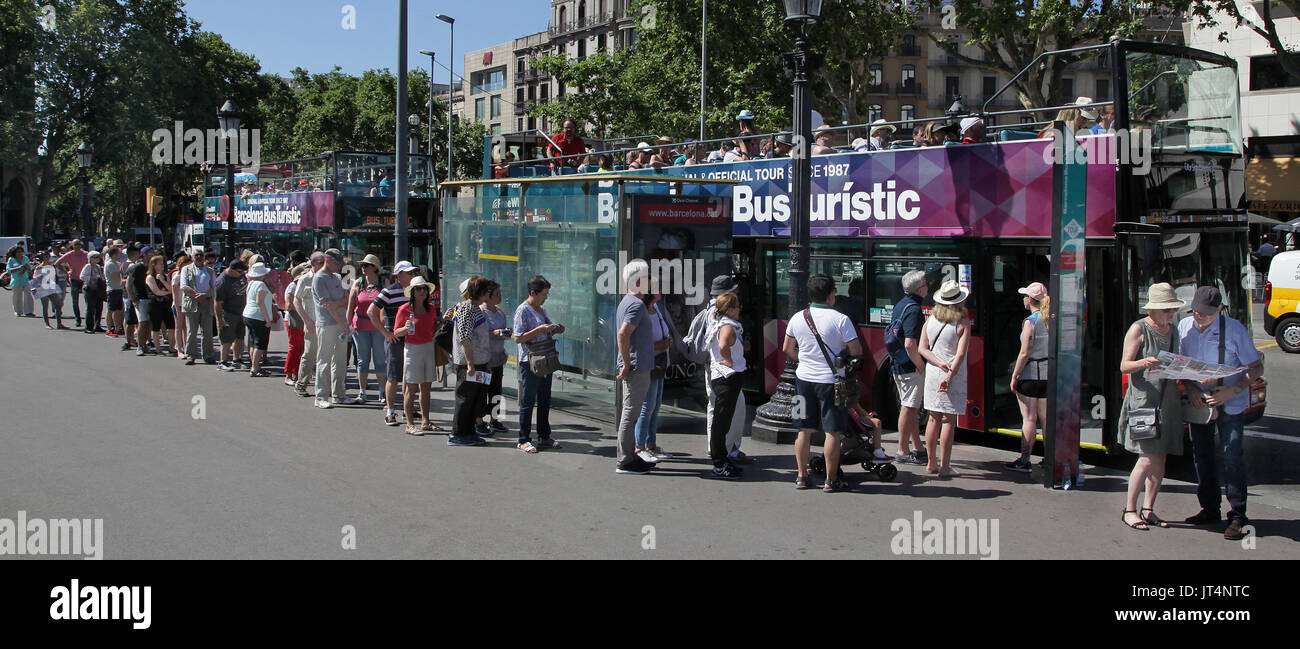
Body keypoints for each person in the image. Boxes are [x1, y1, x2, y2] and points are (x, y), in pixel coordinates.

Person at [1179, 286, 1265, 540]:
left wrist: (1233, 390)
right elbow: (1181, 365)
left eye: (1205, 313)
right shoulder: (1184, 326)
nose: (1199, 317)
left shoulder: (1235, 329)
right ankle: (1209, 507)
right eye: (1196, 311)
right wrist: (1191, 388)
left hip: (1231, 402)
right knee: (1201, 454)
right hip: (1201, 401)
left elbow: (1256, 368)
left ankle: (1238, 515)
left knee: (1231, 455)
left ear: (1219, 310)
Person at [784, 274, 863, 492]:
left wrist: (806, 360)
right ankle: (831, 479)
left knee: (803, 430)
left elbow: (788, 350)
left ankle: (801, 476)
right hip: (831, 383)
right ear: (830, 295)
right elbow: (856, 351)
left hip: (802, 381)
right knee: (832, 432)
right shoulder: (841, 319)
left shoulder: (797, 318)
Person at [1118, 283, 1186, 531]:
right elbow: (1124, 366)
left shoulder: (1173, 330)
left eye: (1172, 309)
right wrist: (1145, 362)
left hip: (1167, 399)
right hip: (1144, 400)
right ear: (1154, 309)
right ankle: (1129, 510)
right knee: (1146, 457)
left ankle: (1148, 509)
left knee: (1160, 455)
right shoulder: (1139, 328)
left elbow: (1176, 361)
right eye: (1167, 310)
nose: (1171, 314)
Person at [919, 280, 971, 478]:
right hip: (952, 375)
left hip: (933, 372)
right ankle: (945, 466)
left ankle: (931, 462)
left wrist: (938, 363)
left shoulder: (930, 320)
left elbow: (922, 348)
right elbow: (960, 355)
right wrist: (949, 375)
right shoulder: (963, 323)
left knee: (933, 418)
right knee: (949, 420)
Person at [612, 261, 660, 474]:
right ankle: (625, 459)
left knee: (631, 413)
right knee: (631, 414)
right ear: (639, 281)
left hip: (637, 365)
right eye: (648, 277)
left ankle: (629, 456)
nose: (651, 281)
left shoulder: (629, 302)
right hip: (636, 367)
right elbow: (623, 334)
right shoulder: (636, 304)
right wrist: (627, 363)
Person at [513, 275, 563, 453]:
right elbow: (518, 337)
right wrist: (539, 330)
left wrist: (554, 329)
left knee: (544, 399)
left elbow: (545, 330)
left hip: (545, 358)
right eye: (543, 294)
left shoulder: (541, 310)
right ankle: (523, 438)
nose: (545, 298)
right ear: (533, 293)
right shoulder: (523, 310)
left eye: (547, 295)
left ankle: (544, 435)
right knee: (528, 400)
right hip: (530, 361)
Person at [1006, 281, 1050, 472]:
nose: (1023, 299)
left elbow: (1024, 353)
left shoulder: (1030, 322)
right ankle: (1049, 457)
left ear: (1031, 300)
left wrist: (1015, 375)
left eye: (1025, 296)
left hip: (1030, 375)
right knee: (1046, 418)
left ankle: (1025, 459)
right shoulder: (1051, 319)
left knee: (1029, 418)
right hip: (1048, 375)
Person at [369, 260, 419, 426]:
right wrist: (386, 333)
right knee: (393, 376)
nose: (412, 275)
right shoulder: (389, 291)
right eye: (409, 273)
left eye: (413, 272)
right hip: (396, 339)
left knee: (409, 376)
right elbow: (372, 311)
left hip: (412, 339)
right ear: (399, 275)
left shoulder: (414, 291)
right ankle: (390, 411)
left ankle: (408, 409)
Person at [707, 292, 747, 480]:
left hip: (728, 376)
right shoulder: (727, 327)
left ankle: (721, 459)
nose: (740, 308)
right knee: (721, 421)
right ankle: (719, 463)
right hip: (726, 377)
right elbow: (723, 345)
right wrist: (728, 360)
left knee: (724, 420)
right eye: (737, 305)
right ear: (730, 309)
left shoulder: (727, 324)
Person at [449, 277, 493, 447]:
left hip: (479, 361)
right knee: (465, 399)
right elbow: (465, 338)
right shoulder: (466, 309)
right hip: (470, 363)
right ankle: (458, 433)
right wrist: (470, 364)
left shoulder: (474, 308)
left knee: (473, 399)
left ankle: (468, 432)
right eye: (486, 290)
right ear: (480, 291)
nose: (489, 293)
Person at [394, 276, 441, 434]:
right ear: (412, 292)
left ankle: (425, 421)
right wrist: (406, 328)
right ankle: (409, 424)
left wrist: (443, 323)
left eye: (424, 289)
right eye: (418, 289)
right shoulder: (404, 309)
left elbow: (432, 329)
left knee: (426, 387)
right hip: (412, 349)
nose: (422, 292)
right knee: (411, 388)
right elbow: (396, 332)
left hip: (428, 347)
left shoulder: (431, 309)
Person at [891, 270, 929, 465]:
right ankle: (903, 450)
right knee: (908, 407)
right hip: (909, 366)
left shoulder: (901, 304)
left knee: (911, 407)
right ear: (919, 288)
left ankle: (917, 447)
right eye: (925, 282)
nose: (928, 285)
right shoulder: (914, 309)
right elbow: (909, 343)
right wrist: (920, 364)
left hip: (898, 364)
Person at [632, 290, 674, 465]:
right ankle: (639, 447)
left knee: (655, 405)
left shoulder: (655, 308)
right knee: (647, 406)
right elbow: (636, 341)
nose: (661, 291)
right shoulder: (641, 310)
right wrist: (660, 344)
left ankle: (651, 444)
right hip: (649, 362)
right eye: (656, 288)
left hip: (660, 362)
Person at [313, 249, 352, 408]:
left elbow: (346, 299)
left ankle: (339, 394)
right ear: (328, 261)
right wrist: (342, 321)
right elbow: (328, 306)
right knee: (324, 359)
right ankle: (321, 396)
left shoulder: (337, 277)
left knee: (341, 360)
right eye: (337, 264)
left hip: (340, 323)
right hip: (327, 324)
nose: (339, 267)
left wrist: (337, 304)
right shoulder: (319, 278)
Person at [346, 255, 386, 403]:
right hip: (360, 327)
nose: (363, 268)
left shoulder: (383, 283)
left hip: (378, 328)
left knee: (380, 360)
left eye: (367, 265)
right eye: (363, 265)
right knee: (362, 360)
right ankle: (362, 392)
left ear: (375, 268)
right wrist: (348, 326)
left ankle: (382, 392)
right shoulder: (358, 283)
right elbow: (350, 307)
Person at [293, 252, 325, 397]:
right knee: (309, 354)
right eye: (320, 262)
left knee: (325, 356)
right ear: (312, 263)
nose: (323, 264)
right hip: (312, 321)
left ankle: (324, 386)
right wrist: (306, 321)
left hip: (327, 322)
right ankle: (301, 383)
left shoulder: (328, 278)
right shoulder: (305, 279)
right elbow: (296, 301)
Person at [480, 283, 510, 435]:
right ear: (489, 295)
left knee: (496, 389)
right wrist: (495, 333)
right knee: (483, 389)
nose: (500, 296)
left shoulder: (500, 312)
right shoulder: (481, 311)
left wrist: (505, 333)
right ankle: (479, 419)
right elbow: (479, 333)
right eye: (497, 294)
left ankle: (495, 419)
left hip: (498, 355)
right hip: (486, 356)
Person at [180, 251, 217, 365]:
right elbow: (184, 286)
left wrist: (205, 296)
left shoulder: (210, 271)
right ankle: (190, 355)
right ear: (192, 257)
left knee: (207, 332)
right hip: (192, 304)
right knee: (192, 331)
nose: (199, 257)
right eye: (196, 255)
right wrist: (197, 296)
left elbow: (214, 287)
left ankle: (208, 355)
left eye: (201, 255)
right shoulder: (186, 269)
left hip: (207, 303)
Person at [241, 262, 275, 377]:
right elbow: (260, 302)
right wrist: (267, 319)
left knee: (253, 341)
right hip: (258, 316)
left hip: (248, 314)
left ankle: (254, 366)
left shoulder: (251, 283)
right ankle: (255, 368)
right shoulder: (261, 285)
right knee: (260, 344)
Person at [214, 260, 248, 370]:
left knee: (239, 337)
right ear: (232, 269)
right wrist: (220, 320)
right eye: (239, 272)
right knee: (226, 339)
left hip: (241, 312)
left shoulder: (241, 275)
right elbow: (217, 303)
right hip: (228, 313)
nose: (241, 274)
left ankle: (236, 360)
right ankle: (223, 362)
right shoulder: (222, 281)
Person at [283, 262, 309, 384]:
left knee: (302, 348)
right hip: (293, 320)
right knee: (294, 347)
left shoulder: (301, 284)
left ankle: (296, 373)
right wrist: (303, 305)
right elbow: (288, 305)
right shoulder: (292, 286)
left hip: (302, 319)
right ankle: (288, 375)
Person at [144, 255, 175, 356]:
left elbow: (171, 289)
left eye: (163, 263)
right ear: (154, 265)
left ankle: (172, 347)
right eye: (160, 264)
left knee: (171, 326)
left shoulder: (165, 276)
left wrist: (162, 280)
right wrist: (167, 292)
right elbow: (156, 291)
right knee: (156, 327)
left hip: (166, 304)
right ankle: (158, 349)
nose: (162, 266)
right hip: (155, 304)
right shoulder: (149, 277)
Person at [55, 240, 89, 329]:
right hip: (74, 279)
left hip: (84, 279)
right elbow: (57, 263)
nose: (77, 246)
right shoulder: (69, 254)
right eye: (75, 245)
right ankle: (78, 319)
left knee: (88, 300)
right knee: (75, 300)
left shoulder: (85, 254)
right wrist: (66, 272)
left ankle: (89, 319)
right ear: (72, 246)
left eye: (78, 244)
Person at [79, 251, 106, 334]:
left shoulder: (98, 267)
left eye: (97, 257)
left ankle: (97, 325)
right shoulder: (88, 266)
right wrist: (93, 277)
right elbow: (82, 277)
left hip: (98, 289)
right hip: (89, 289)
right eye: (94, 257)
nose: (97, 258)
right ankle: (88, 327)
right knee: (90, 308)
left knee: (99, 308)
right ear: (90, 259)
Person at [170, 253, 190, 356]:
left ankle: (187, 347)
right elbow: (174, 293)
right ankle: (179, 348)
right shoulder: (177, 276)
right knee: (178, 326)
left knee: (186, 327)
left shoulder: (188, 275)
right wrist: (177, 307)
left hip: (186, 304)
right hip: (178, 304)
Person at [6, 245, 34, 317]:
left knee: (28, 295)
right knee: (17, 297)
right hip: (16, 280)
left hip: (25, 279)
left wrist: (27, 267)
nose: (19, 253)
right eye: (17, 252)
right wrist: (18, 267)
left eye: (21, 252)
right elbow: (9, 270)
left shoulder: (25, 258)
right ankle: (18, 311)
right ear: (14, 253)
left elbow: (30, 267)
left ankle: (29, 311)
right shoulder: (11, 259)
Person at [103, 247, 124, 336]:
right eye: (119, 253)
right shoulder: (110, 264)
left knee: (118, 310)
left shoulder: (118, 263)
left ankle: (117, 328)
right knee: (111, 310)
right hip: (112, 289)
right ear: (114, 254)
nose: (121, 254)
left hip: (119, 289)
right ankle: (109, 329)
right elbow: (117, 276)